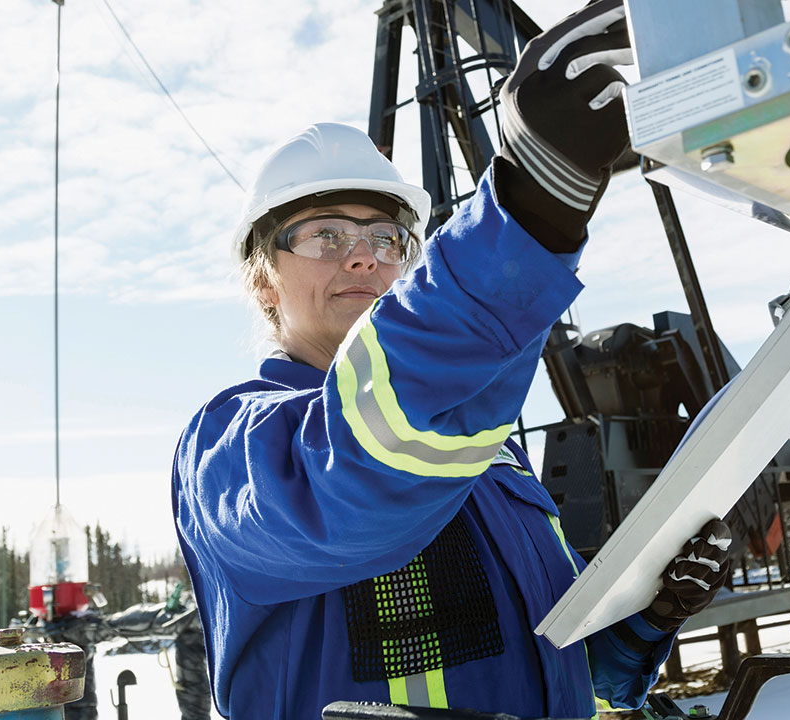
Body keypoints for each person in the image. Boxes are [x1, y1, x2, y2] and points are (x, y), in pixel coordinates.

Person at [172, 2, 731, 718]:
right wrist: (529, 211)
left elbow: (561, 668)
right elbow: (355, 476)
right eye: (324, 234)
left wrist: (638, 619)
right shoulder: (233, 451)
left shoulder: (484, 452)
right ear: (262, 279)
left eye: (386, 237)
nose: (363, 255)